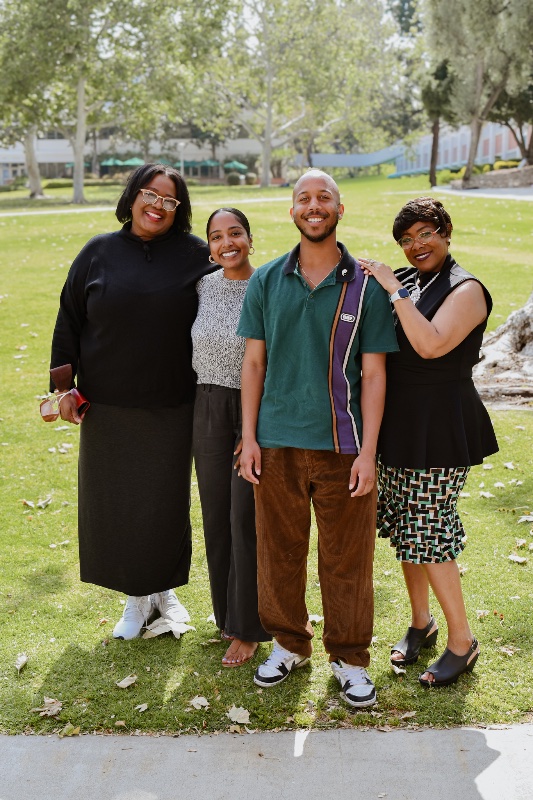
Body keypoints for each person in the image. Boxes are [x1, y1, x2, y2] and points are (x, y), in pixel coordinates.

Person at [237, 169, 398, 707]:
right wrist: (249, 437)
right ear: (291, 211)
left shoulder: (364, 284)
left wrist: (369, 452)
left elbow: (374, 374)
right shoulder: (265, 279)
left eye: (324, 197)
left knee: (346, 559)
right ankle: (288, 644)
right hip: (276, 442)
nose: (314, 205)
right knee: (278, 553)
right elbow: (254, 363)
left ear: (339, 209)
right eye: (304, 198)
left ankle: (350, 658)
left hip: (343, 446)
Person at [49, 163, 213, 640]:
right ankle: (136, 598)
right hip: (106, 407)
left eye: (169, 200)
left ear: (178, 209)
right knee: (116, 505)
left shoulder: (195, 255)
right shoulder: (97, 253)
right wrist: (64, 388)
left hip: (172, 404)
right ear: (132, 196)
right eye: (150, 194)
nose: (158, 206)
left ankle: (160, 594)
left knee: (163, 505)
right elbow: (69, 320)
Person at [359, 196, 498, 688]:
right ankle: (422, 622)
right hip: (398, 423)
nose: (416, 246)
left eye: (425, 234)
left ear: (446, 232)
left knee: (430, 527)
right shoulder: (411, 280)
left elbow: (431, 343)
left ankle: (463, 642)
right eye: (406, 240)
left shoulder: (468, 289)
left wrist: (393, 289)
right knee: (405, 526)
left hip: (441, 424)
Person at [191, 208, 271, 667]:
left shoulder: (267, 286)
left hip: (250, 408)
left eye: (235, 233)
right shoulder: (202, 286)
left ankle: (250, 627)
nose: (227, 243)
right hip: (206, 409)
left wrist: (253, 428)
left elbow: (268, 360)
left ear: (249, 238)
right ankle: (226, 616)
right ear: (208, 246)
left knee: (245, 516)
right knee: (216, 515)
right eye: (217, 236)